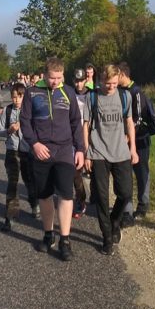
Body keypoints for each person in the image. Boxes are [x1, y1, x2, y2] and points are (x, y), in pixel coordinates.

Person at [18, 57, 85, 262]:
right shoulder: (32, 92)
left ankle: (65, 240)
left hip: (64, 150)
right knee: (45, 195)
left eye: (59, 78)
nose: (55, 82)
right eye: (52, 78)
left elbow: (76, 122)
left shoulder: (69, 92)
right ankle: (48, 235)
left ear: (63, 75)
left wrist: (80, 149)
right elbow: (25, 121)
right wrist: (34, 144)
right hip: (41, 151)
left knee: (66, 194)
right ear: (45, 75)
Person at [84, 64, 138, 255]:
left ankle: (114, 221)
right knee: (101, 197)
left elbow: (129, 122)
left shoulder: (125, 96)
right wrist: (87, 152)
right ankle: (107, 237)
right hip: (98, 152)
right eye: (108, 84)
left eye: (114, 83)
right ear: (101, 81)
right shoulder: (92, 97)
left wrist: (133, 149)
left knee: (125, 193)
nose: (111, 87)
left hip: (121, 151)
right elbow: (86, 126)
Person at [118, 61, 155, 223]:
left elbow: (138, 118)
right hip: (124, 141)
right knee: (125, 175)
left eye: (117, 75)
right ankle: (127, 210)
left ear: (123, 75)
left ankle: (143, 206)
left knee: (142, 174)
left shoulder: (136, 92)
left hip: (140, 140)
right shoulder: (119, 91)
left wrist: (129, 136)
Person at [0, 82, 38, 230]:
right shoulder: (7, 111)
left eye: (19, 97)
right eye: (14, 97)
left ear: (24, 97)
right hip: (12, 150)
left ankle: (34, 203)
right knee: (12, 183)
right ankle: (10, 216)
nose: (16, 100)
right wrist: (9, 130)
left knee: (30, 181)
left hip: (28, 151)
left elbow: (39, 130)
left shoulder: (31, 110)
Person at [71, 68, 90, 219]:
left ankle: (96, 196)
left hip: (90, 136)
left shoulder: (92, 95)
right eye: (76, 81)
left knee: (92, 170)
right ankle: (81, 199)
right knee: (76, 171)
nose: (79, 84)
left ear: (86, 80)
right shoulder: (70, 94)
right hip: (74, 137)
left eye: (81, 81)